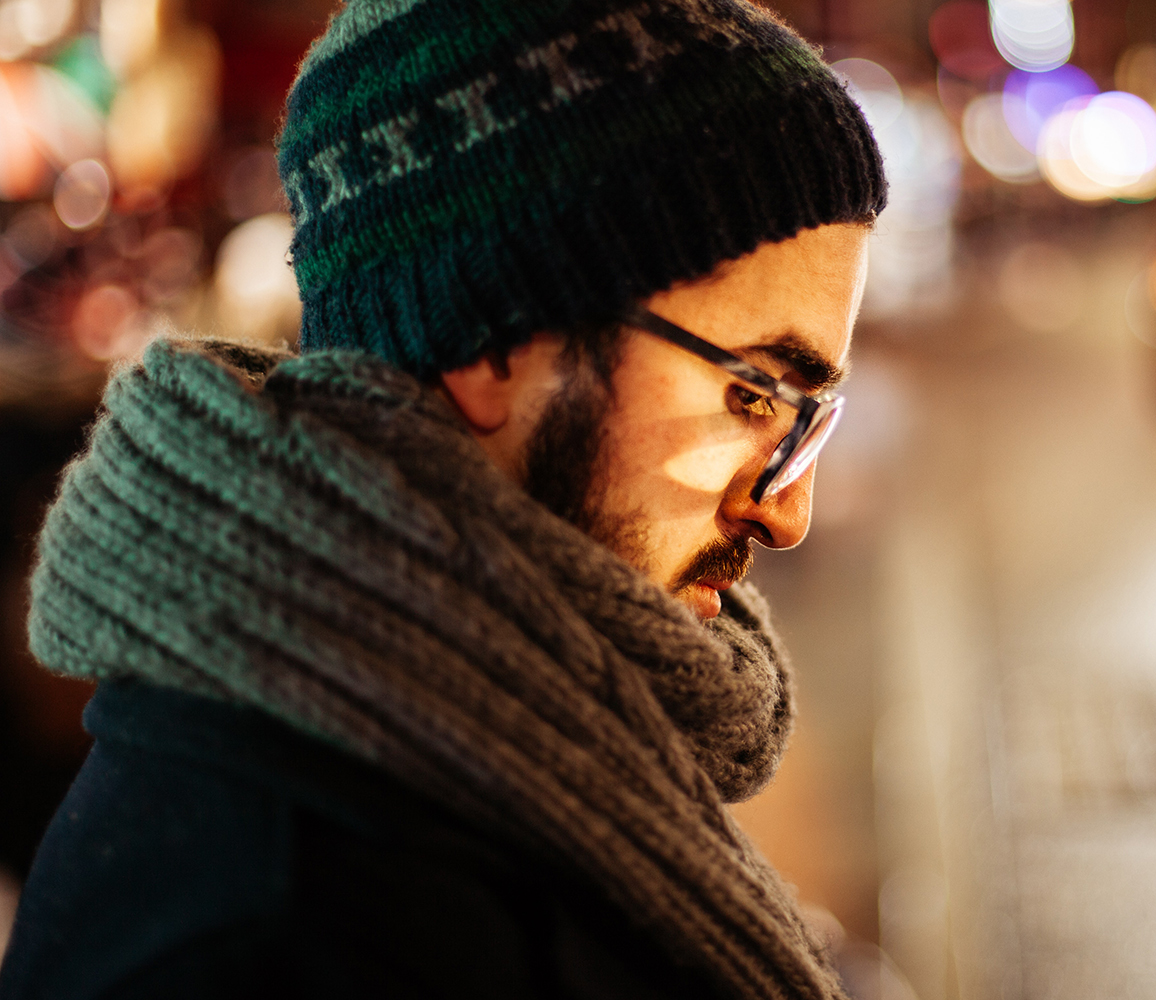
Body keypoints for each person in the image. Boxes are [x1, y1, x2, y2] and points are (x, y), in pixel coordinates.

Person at [0, 0, 885, 998]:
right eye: (756, 392)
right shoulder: (279, 931)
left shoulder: (487, 761)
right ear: (494, 339)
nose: (786, 511)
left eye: (809, 415)